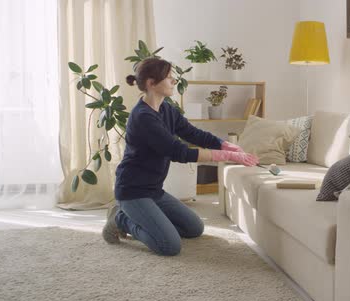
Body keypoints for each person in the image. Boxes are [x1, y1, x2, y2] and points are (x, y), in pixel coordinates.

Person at [102, 57, 259, 256]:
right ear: (151, 83)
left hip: (154, 191)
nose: (174, 81)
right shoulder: (143, 117)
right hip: (133, 192)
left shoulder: (166, 108)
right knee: (169, 246)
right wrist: (226, 155)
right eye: (169, 78)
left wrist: (224, 144)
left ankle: (147, 218)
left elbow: (192, 133)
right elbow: (179, 151)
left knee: (194, 229)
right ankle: (121, 219)